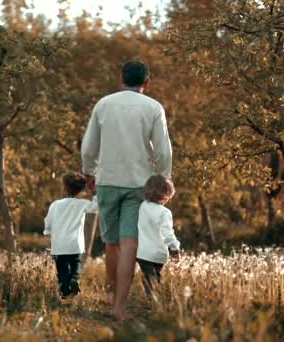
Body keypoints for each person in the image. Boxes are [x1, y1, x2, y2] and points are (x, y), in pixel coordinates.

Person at [81, 60, 172, 320]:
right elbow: (164, 151)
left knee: (111, 243)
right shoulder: (154, 108)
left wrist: (89, 171)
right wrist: (163, 178)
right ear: (147, 82)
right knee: (130, 243)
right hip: (139, 183)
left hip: (107, 180)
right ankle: (120, 308)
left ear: (120, 77)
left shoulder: (104, 104)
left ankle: (111, 295)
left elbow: (89, 146)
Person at [44, 172, 97, 298]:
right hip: (75, 245)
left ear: (64, 187)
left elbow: (48, 221)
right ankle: (74, 279)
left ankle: (65, 295)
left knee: (62, 272)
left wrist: (47, 231)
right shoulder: (82, 204)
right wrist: (94, 192)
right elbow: (96, 207)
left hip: (59, 246)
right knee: (75, 266)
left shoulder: (55, 205)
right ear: (79, 190)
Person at [136, 175, 180, 300]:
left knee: (149, 276)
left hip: (143, 253)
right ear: (166, 195)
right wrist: (174, 248)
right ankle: (153, 300)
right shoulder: (165, 212)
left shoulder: (142, 206)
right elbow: (168, 233)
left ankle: (151, 298)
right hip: (158, 253)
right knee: (155, 277)